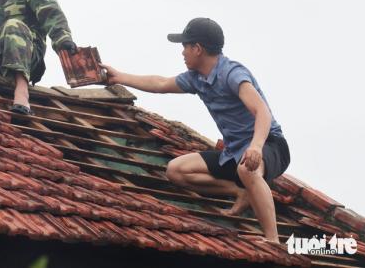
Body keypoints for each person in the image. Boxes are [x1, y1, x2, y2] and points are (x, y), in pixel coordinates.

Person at [100, 18, 290, 243]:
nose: (182, 52)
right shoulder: (197, 79)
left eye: (185, 47)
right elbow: (160, 84)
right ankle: (240, 192)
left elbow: (262, 111)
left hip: (269, 144)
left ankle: (272, 239)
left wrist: (256, 146)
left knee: (247, 171)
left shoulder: (231, 73)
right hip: (235, 153)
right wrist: (118, 77)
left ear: (197, 49)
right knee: (176, 170)